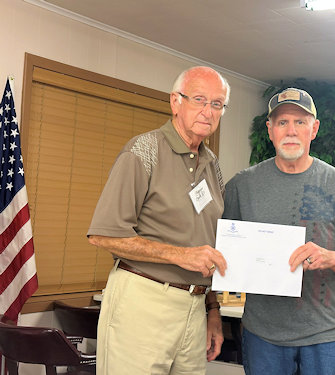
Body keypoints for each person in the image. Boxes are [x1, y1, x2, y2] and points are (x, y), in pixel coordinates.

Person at [87, 66, 230, 375]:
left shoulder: (212, 163)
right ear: (175, 102)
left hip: (195, 307)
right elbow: (104, 235)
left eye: (217, 104)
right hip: (144, 299)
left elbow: (209, 244)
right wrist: (180, 255)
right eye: (199, 100)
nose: (208, 111)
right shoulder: (143, 151)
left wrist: (212, 310)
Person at [223, 87, 335, 375]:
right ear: (270, 130)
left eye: (300, 122)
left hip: (327, 336)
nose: (291, 131)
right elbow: (227, 251)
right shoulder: (242, 185)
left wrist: (330, 257)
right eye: (282, 123)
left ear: (313, 129)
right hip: (263, 335)